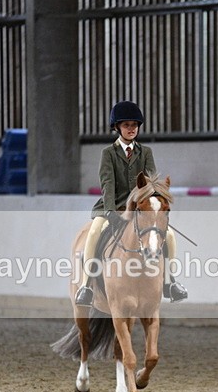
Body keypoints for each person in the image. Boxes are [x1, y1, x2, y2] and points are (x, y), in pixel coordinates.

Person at [75, 100, 188, 307]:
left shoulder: (145, 152)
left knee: (169, 236)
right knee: (94, 233)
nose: (131, 129)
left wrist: (153, 204)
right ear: (117, 127)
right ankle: (86, 285)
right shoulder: (108, 154)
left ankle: (170, 282)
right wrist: (110, 210)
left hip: (140, 209)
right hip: (113, 207)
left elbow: (151, 182)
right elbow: (107, 184)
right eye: (126, 125)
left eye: (134, 125)